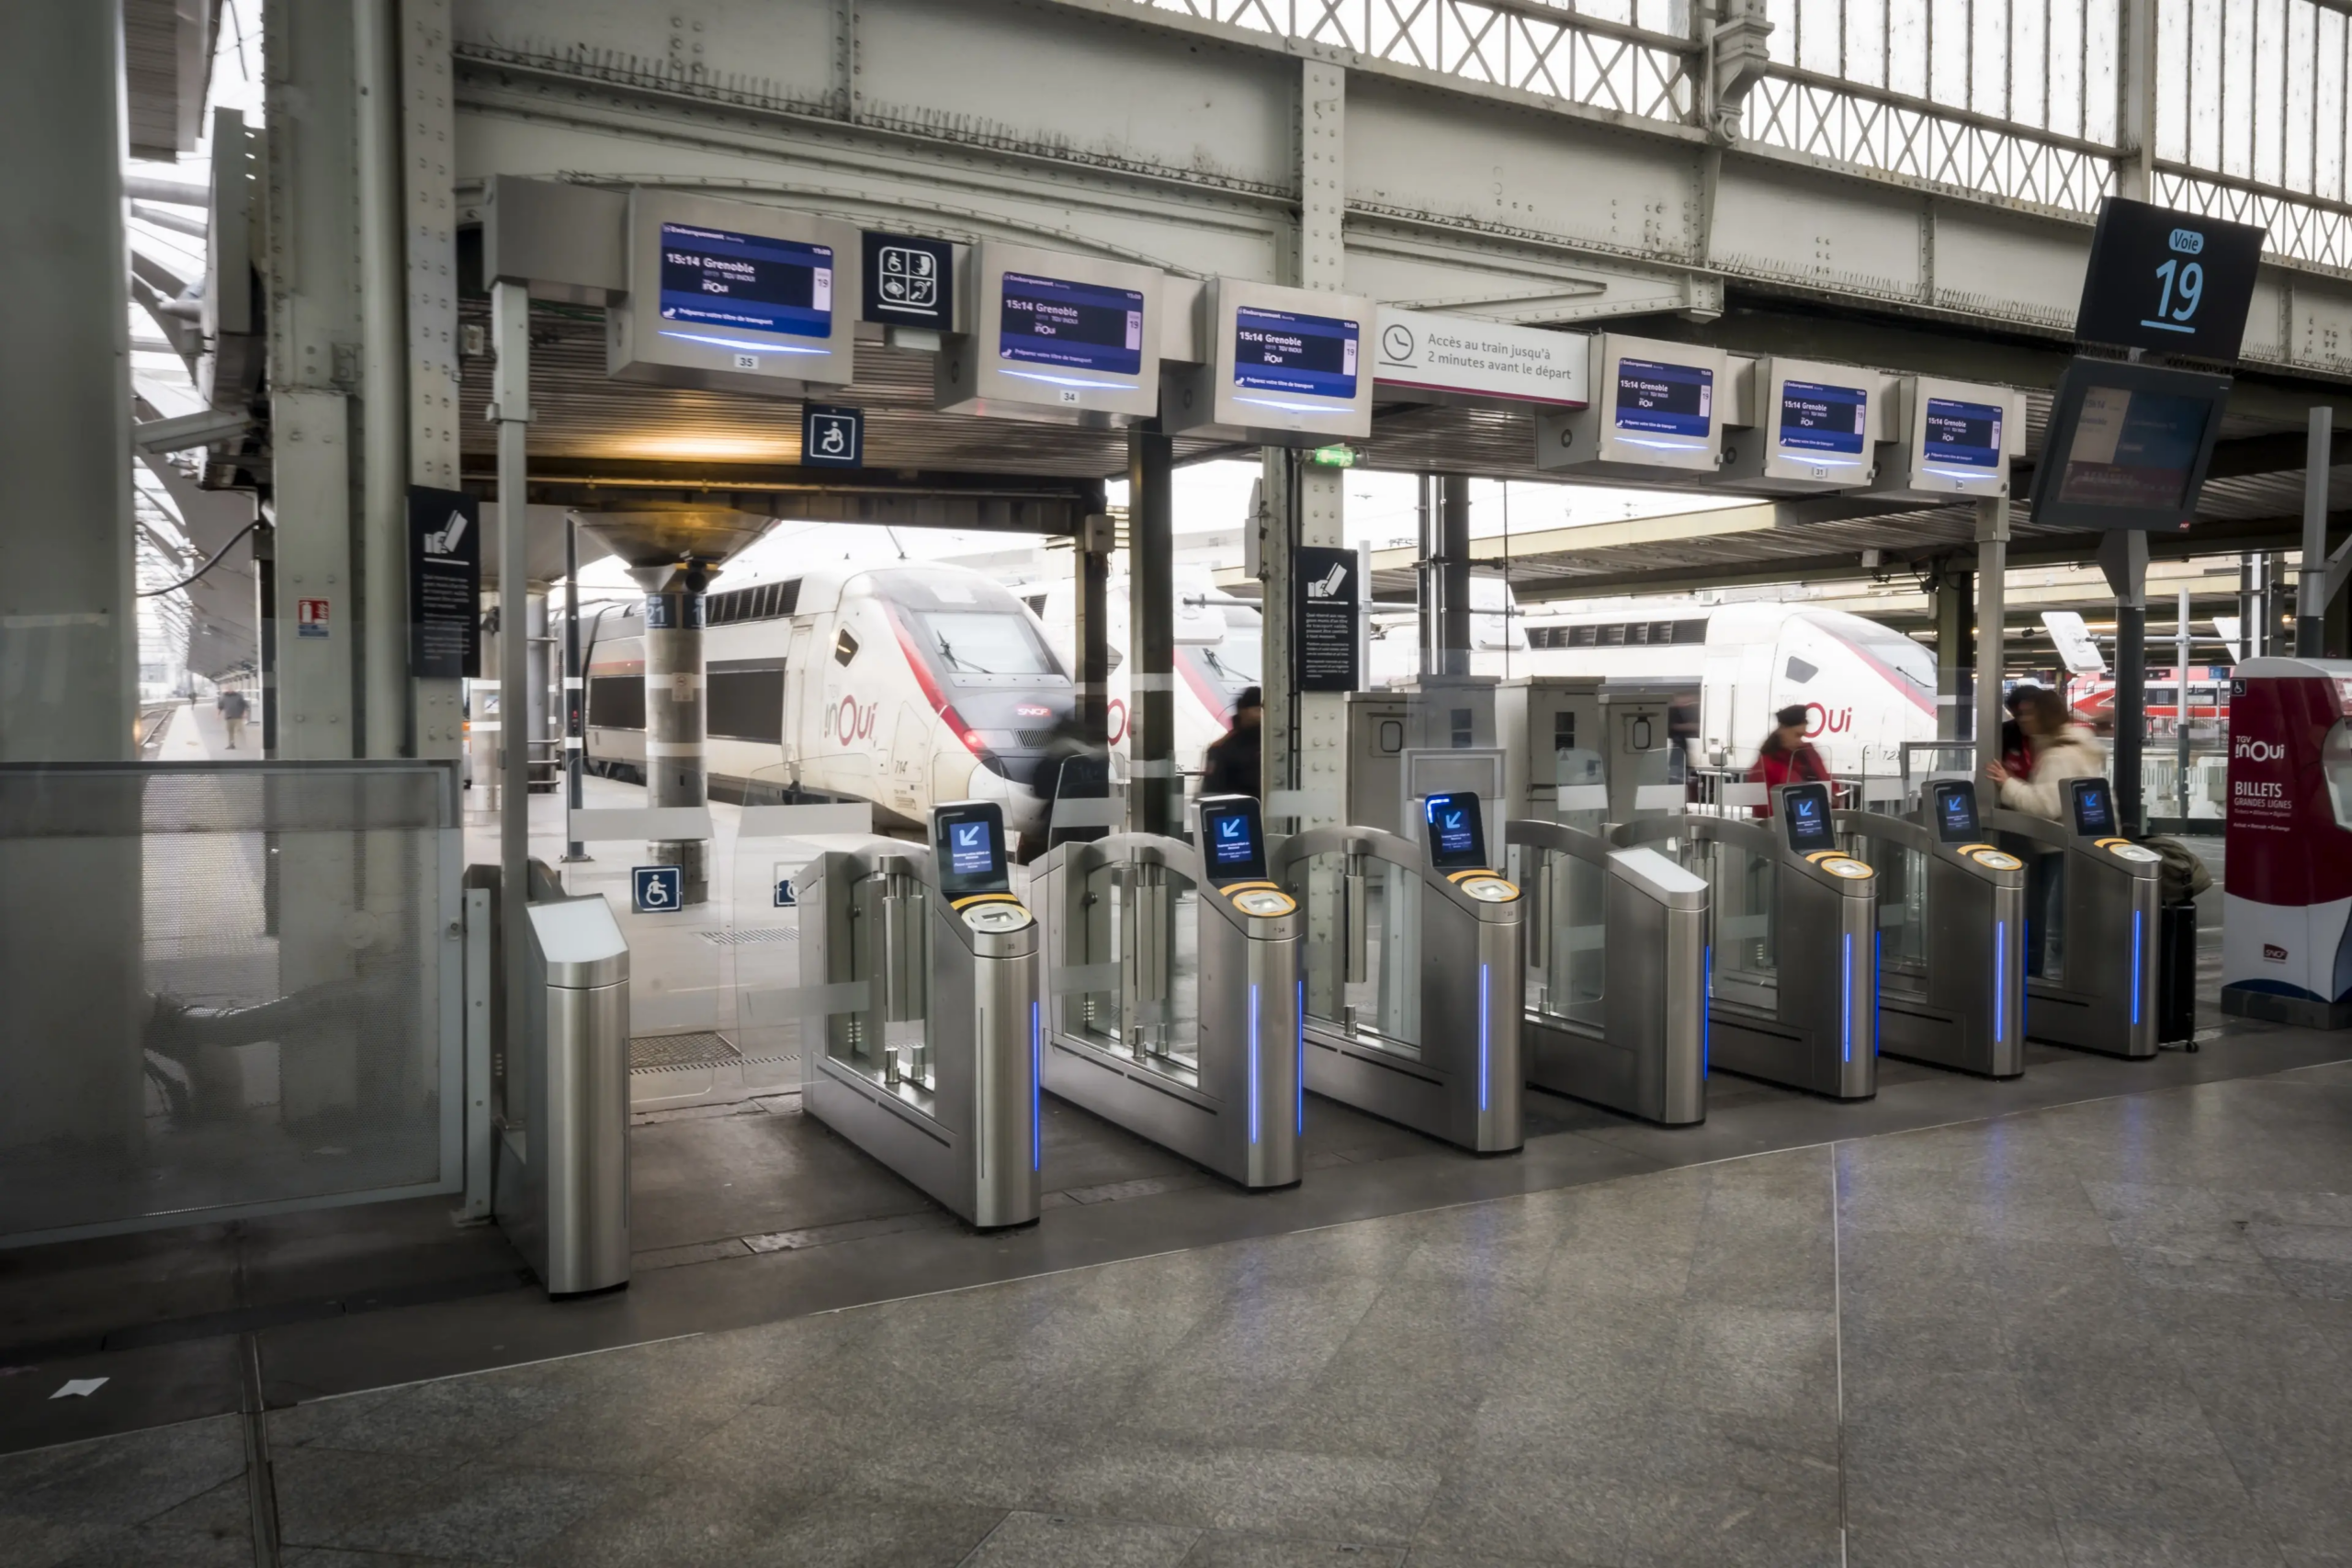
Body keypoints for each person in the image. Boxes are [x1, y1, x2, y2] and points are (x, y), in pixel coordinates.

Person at [1986, 687, 2102, 819]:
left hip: (2061, 837)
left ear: (2046, 716)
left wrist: (2007, 783)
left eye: (2029, 713)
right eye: (2019, 714)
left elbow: (2046, 806)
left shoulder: (2060, 755)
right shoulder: (2070, 743)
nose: (2023, 719)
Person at [1744, 704, 1829, 814]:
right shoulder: (1763, 767)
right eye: (1796, 735)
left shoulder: (1809, 755)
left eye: (1802, 736)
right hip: (1783, 826)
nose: (1799, 741)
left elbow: (1826, 782)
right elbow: (1761, 807)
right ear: (1782, 730)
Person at [1201, 685, 1262, 799]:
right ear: (1243, 711)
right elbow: (1212, 792)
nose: (1262, 715)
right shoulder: (1222, 748)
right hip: (1240, 813)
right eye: (1258, 710)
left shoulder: (1278, 743)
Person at [1999, 684, 2040, 781]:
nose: (2023, 719)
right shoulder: (2006, 733)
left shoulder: (2054, 738)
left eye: (2029, 712)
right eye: (2017, 714)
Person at [220, 687, 250, 751]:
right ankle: (231, 744)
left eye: (230, 689)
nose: (229, 690)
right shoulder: (224, 697)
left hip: (238, 716)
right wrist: (217, 714)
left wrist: (245, 713)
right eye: (228, 689)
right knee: (230, 731)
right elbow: (220, 706)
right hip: (228, 717)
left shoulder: (239, 696)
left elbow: (245, 705)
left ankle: (241, 742)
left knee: (238, 730)